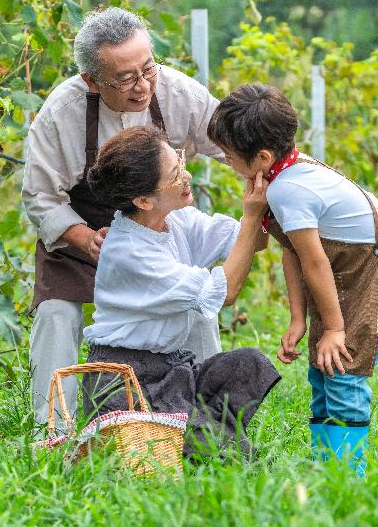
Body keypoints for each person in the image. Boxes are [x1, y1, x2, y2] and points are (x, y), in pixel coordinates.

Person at [206, 84, 378, 476]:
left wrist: (333, 328)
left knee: (343, 370)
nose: (227, 164)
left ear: (262, 158)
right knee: (323, 366)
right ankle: (327, 471)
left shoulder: (288, 189)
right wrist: (300, 319)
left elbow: (315, 262)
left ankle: (348, 481)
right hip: (356, 267)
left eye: (229, 158)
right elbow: (292, 250)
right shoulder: (284, 174)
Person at [22, 7, 224, 430]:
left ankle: (210, 424)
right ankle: (53, 432)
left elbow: (230, 141)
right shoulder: (62, 112)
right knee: (56, 313)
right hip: (84, 238)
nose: (143, 85)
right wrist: (83, 238)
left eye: (148, 69)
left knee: (198, 311)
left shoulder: (177, 93)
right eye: (126, 79)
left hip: (158, 233)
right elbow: (40, 197)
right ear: (92, 80)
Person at [81, 125, 280, 457]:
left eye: (180, 161)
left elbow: (251, 240)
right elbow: (225, 292)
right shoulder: (130, 251)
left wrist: (258, 192)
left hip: (170, 370)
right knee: (233, 455)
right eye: (175, 174)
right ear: (144, 200)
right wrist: (252, 215)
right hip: (127, 383)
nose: (186, 175)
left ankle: (198, 435)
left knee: (250, 364)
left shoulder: (176, 219)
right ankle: (199, 438)